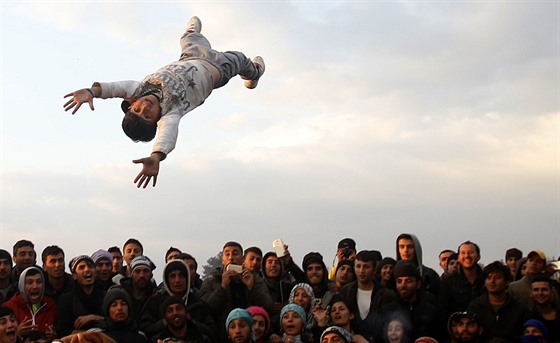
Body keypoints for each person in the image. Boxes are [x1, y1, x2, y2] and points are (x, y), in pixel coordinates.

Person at [63, 16, 265, 188]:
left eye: (138, 109)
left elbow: (116, 88)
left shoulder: (139, 89)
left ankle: (190, 33)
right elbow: (167, 134)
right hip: (220, 69)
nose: (146, 107)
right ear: (157, 119)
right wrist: (156, 156)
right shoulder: (171, 112)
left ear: (132, 102)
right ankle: (254, 73)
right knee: (240, 59)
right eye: (148, 115)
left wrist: (93, 91)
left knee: (188, 38)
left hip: (190, 56)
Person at [200, 241, 273, 342]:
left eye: (235, 253)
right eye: (227, 254)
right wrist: (222, 288)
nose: (231, 257)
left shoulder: (255, 279)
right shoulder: (211, 281)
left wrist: (251, 286)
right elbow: (204, 310)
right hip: (220, 338)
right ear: (223, 260)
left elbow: (268, 306)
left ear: (242, 259)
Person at [139, 258, 214, 339]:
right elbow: (144, 330)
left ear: (187, 279)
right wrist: (165, 322)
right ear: (167, 281)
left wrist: (191, 322)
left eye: (181, 276)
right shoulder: (155, 302)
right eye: (172, 276)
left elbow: (211, 331)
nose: (177, 280)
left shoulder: (198, 303)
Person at [339, 250, 395, 342]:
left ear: (374, 269)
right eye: (358, 266)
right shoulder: (346, 291)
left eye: (366, 267)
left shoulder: (386, 295)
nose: (361, 271)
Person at [380, 261, 442, 342]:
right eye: (399, 281)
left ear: (418, 284)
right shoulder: (387, 310)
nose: (403, 285)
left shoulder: (431, 310)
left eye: (408, 281)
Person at [467, 261, 528, 342]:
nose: (492, 281)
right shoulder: (475, 307)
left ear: (507, 282)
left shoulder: (518, 308)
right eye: (489, 277)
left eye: (497, 277)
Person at [55, 255, 105, 337]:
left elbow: (115, 323)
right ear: (74, 276)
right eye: (81, 267)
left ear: (95, 273)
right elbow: (62, 331)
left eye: (90, 266)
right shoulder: (66, 300)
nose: (87, 269)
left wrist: (93, 317)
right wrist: (90, 334)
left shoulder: (106, 296)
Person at [2, 267, 56, 341]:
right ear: (21, 285)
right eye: (30, 282)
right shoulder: (8, 307)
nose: (35, 286)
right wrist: (17, 333)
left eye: (39, 282)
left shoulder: (51, 305)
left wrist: (53, 336)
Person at [440, 241, 485, 319]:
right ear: (459, 258)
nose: (467, 256)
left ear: (478, 256)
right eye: (463, 253)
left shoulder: (487, 279)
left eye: (471, 252)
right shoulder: (448, 283)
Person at [395, 234, 440, 298]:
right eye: (402, 247)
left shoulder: (429, 275)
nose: (405, 250)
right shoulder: (392, 273)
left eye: (410, 247)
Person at [116, 255, 157, 322]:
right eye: (137, 271)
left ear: (151, 275)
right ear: (131, 274)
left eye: (145, 271)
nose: (141, 275)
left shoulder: (157, 296)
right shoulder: (119, 294)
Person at [528, 274, 560, 341]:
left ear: (552, 292)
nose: (540, 293)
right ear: (531, 293)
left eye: (544, 289)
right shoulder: (526, 316)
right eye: (536, 290)